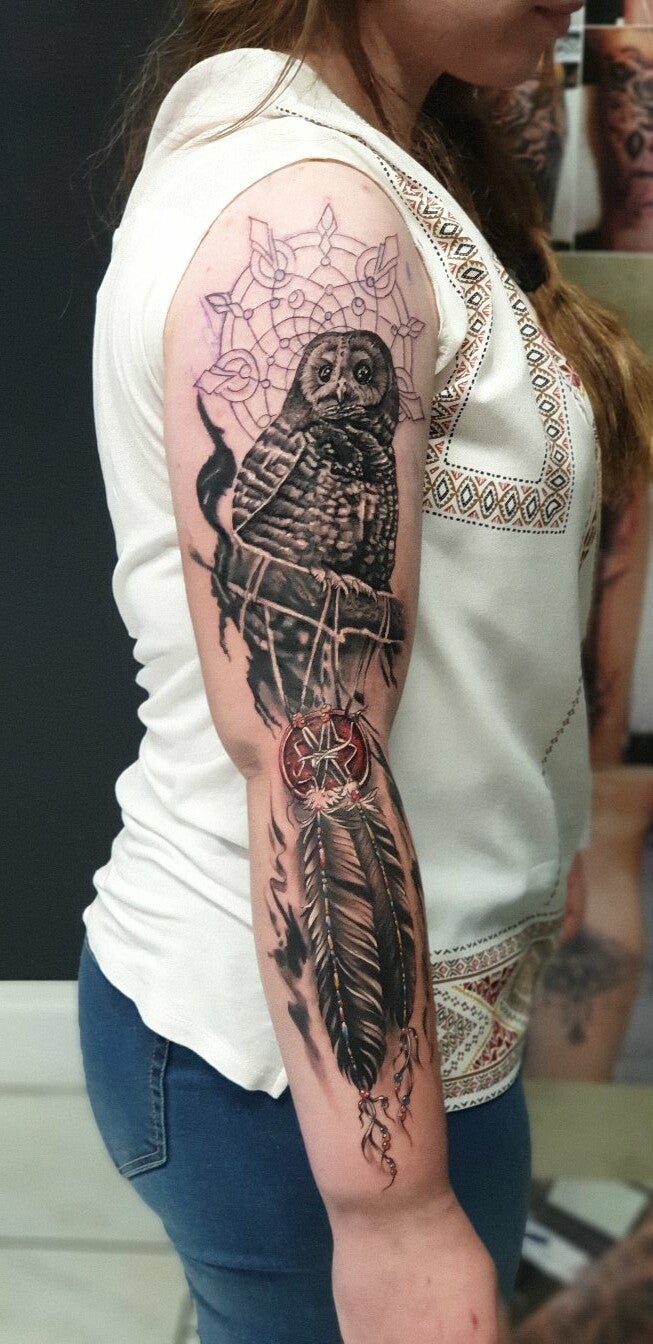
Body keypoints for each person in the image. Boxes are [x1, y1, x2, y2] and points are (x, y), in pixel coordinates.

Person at [76, 3, 653, 1342]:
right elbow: (307, 750)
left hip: (362, 1043)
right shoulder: (309, 204)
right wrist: (392, 1212)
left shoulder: (346, 151)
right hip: (314, 1080)